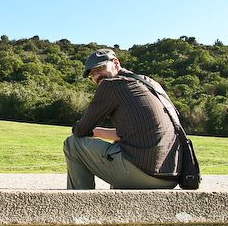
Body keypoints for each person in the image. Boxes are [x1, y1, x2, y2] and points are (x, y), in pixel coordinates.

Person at [63, 48, 181, 189]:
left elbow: (80, 130)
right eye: (92, 73)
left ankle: (79, 206)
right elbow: (134, 133)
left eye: (100, 68)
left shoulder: (111, 85)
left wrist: (89, 131)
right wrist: (96, 132)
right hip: (173, 175)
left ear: (116, 63)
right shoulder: (150, 83)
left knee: (73, 144)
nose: (97, 76)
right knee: (119, 147)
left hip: (146, 174)